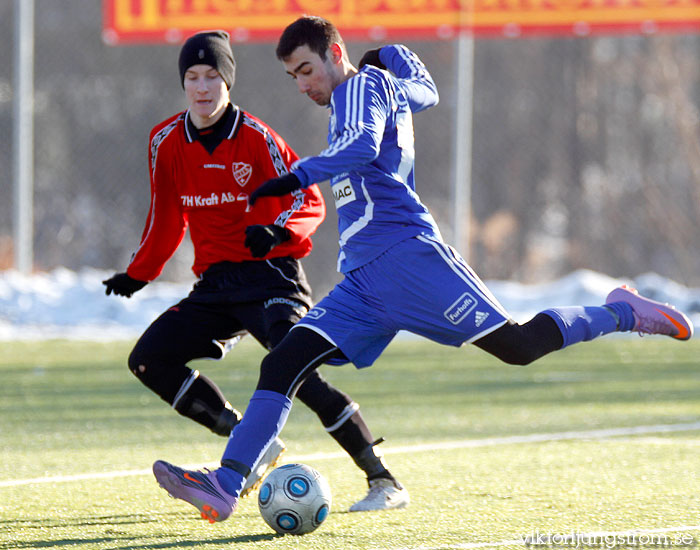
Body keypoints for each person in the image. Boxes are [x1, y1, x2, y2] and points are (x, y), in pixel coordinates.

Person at [151, 17, 694, 523]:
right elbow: (425, 91)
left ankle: (621, 312)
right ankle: (225, 484)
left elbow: (365, 144)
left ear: (335, 55)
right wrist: (395, 56)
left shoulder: (360, 86)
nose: (301, 84)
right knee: (285, 362)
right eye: (293, 75)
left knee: (519, 346)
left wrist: (299, 174)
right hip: (364, 279)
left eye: (306, 69)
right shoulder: (369, 91)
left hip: (409, 258)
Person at [103, 30, 409, 511]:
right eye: (192, 77)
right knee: (148, 359)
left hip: (272, 278)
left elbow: (308, 201)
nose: (202, 87)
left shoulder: (257, 137)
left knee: (295, 369)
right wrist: (139, 272)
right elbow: (165, 217)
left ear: (228, 82)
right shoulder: (165, 141)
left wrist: (276, 233)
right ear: (183, 82)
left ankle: (381, 477)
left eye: (212, 76)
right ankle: (250, 438)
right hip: (216, 285)